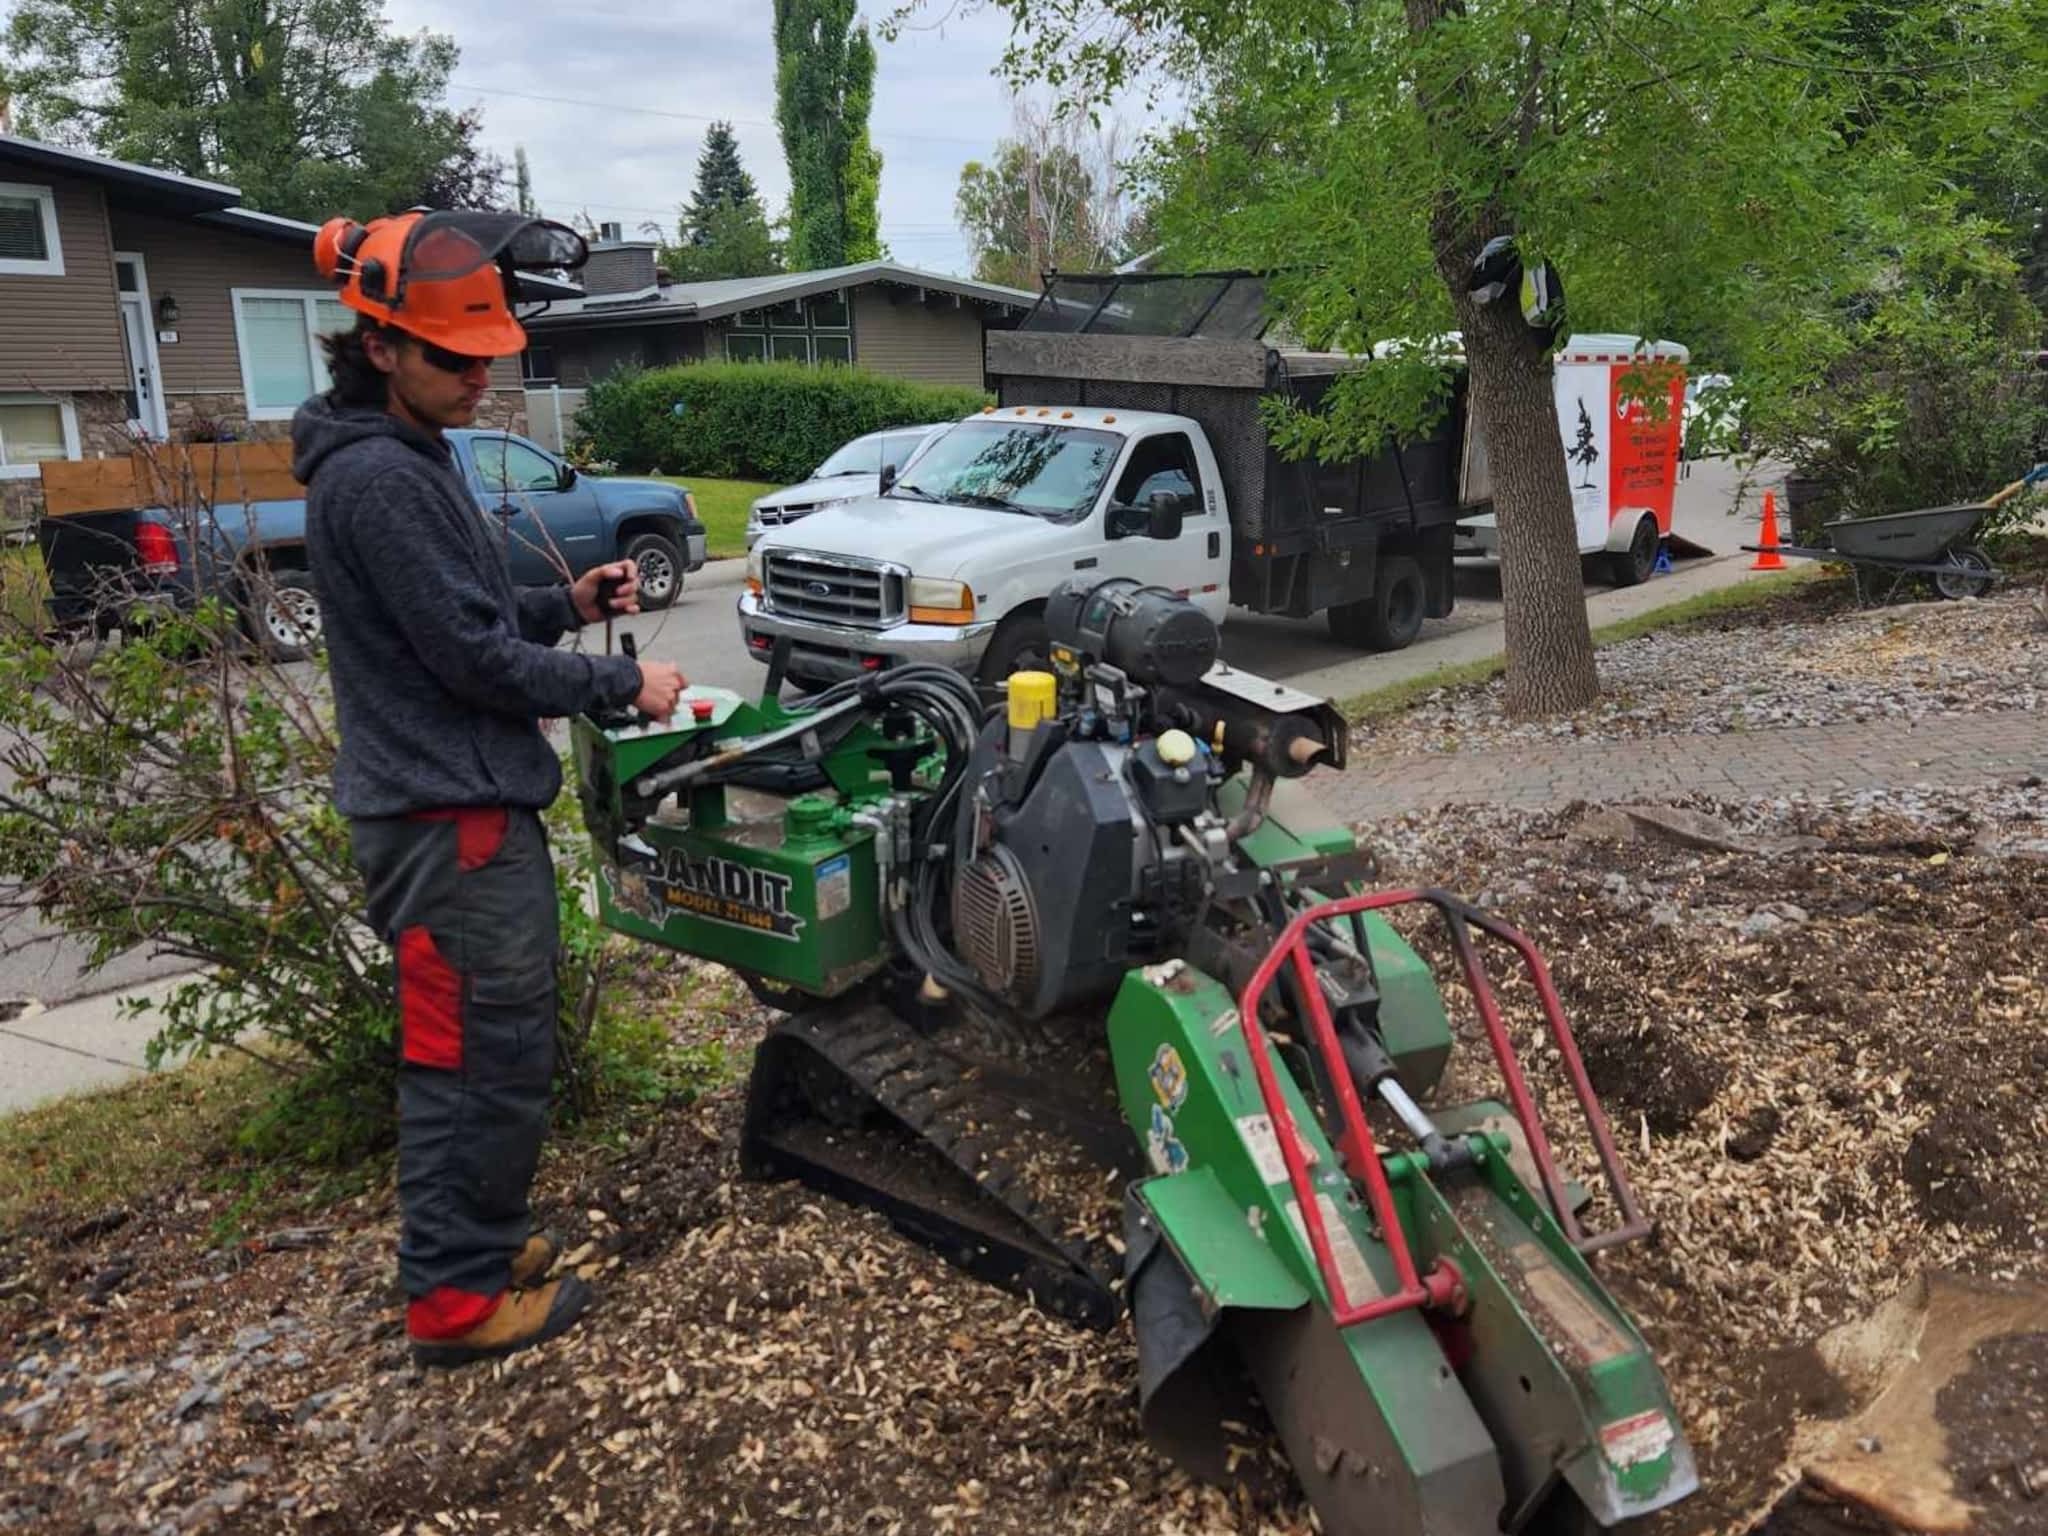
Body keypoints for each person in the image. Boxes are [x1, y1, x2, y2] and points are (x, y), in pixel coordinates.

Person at [291, 210, 686, 1368]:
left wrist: (571, 602)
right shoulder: (379, 482)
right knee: (474, 1059)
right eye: (452, 358)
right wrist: (622, 688)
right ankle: (455, 1303)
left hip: (451, 805)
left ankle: (477, 1242)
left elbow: (460, 624)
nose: (478, 378)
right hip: (446, 820)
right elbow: (471, 665)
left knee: (490, 1054)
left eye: (485, 357)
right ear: (378, 348)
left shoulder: (403, 457)